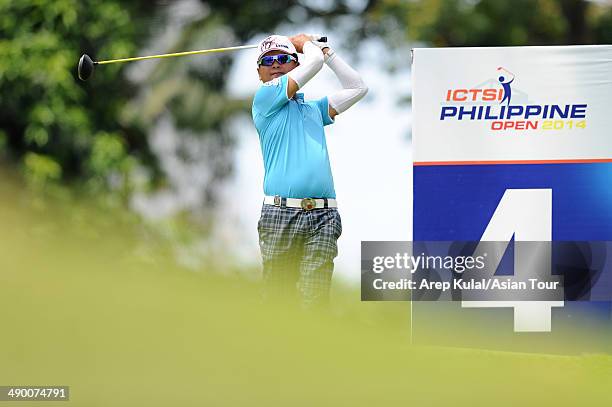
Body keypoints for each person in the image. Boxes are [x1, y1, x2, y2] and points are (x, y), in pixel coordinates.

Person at [251, 33, 367, 308]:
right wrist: (305, 46)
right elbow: (312, 64)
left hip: (323, 215)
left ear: (294, 65)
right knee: (278, 301)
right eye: (268, 60)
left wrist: (326, 51)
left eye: (284, 58)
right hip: (280, 214)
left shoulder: (313, 110)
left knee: (315, 300)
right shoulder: (265, 99)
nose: (276, 64)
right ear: (259, 73)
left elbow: (358, 87)